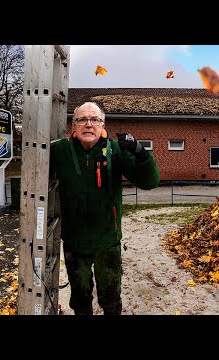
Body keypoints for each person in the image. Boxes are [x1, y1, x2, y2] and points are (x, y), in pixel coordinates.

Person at [49, 101, 160, 315]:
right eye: (82, 120)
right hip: (74, 242)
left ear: (102, 125)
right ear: (74, 125)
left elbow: (150, 182)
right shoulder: (59, 151)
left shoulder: (115, 150)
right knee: (80, 299)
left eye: (94, 120)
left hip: (107, 241)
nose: (88, 124)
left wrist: (141, 153)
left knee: (110, 298)